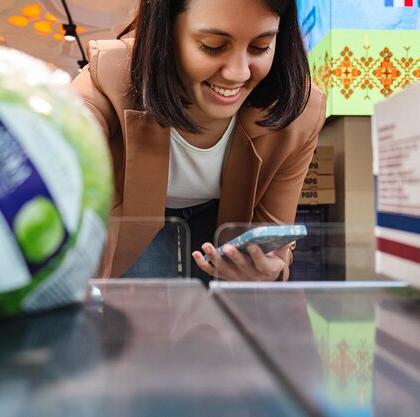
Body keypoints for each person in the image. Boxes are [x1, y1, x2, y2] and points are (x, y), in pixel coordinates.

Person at [71, 0, 326, 283]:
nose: (237, 73)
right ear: (165, 32)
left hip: (222, 220)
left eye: (260, 47)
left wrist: (270, 267)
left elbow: (275, 241)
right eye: (213, 45)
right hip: (129, 224)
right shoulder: (103, 86)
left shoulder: (298, 112)